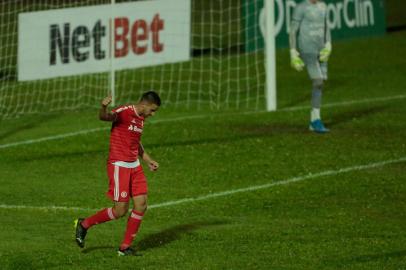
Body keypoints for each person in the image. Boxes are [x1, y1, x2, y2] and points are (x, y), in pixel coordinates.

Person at [74, 91, 161, 256]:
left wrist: (148, 160)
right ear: (144, 104)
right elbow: (105, 117)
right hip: (119, 165)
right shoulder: (124, 112)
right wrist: (103, 107)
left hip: (134, 166)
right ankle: (84, 224)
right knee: (120, 211)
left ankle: (124, 247)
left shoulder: (141, 119)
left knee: (141, 204)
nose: (153, 114)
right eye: (152, 110)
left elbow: (136, 142)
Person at [289, 0, 332, 133]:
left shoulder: (323, 6)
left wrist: (329, 44)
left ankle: (314, 120)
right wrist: (293, 52)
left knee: (319, 84)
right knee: (318, 81)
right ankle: (315, 121)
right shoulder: (301, 8)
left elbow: (326, 26)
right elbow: (293, 30)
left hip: (321, 50)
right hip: (307, 49)